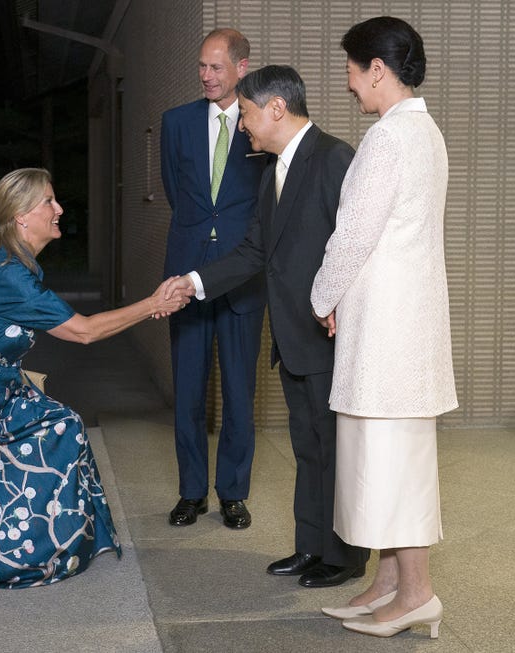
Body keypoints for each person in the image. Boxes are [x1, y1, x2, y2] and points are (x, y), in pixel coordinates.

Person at [0, 168, 188, 588]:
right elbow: (83, 331)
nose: (59, 209)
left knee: (63, 427)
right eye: (48, 202)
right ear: (21, 216)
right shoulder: (8, 274)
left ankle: (52, 535)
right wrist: (154, 304)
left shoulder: (16, 262)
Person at [163, 65, 368, 587]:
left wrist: (341, 305)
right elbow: (256, 250)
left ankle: (344, 557)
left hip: (327, 334)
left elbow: (358, 247)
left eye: (247, 113)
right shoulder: (271, 169)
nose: (243, 126)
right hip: (294, 335)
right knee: (308, 446)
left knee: (332, 449)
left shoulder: (334, 157)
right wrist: (193, 282)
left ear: (277, 108)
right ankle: (311, 545)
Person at [310, 17, 458, 638]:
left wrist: (321, 295)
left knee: (393, 459)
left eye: (351, 70)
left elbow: (354, 234)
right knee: (392, 453)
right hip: (406, 323)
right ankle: (392, 584)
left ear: (377, 67)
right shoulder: (423, 132)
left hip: (388, 329)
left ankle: (417, 592)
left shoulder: (388, 139)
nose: (348, 84)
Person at [160, 28, 266, 529]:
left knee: (239, 392)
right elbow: (176, 195)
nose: (206, 76)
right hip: (186, 276)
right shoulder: (176, 123)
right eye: (201, 66)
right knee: (188, 390)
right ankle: (191, 492)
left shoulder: (258, 123)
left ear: (241, 68)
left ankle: (233, 493)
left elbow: (268, 199)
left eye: (216, 67)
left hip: (242, 277)